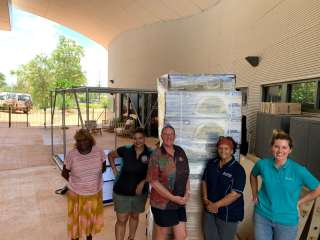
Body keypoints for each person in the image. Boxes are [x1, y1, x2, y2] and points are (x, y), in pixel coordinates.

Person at [250, 129, 320, 240]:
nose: (280, 150)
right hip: (262, 216)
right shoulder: (262, 164)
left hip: (286, 221)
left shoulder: (299, 171)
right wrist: (254, 193)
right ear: (272, 147)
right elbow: (253, 174)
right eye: (276, 146)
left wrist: (298, 202)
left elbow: (317, 189)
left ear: (290, 150)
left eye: (284, 147)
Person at [108, 127, 153, 240]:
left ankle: (131, 238)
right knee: (122, 220)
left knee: (134, 216)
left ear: (144, 138)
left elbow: (154, 173)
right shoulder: (125, 150)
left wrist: (143, 181)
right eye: (135, 138)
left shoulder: (151, 153)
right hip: (121, 192)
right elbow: (110, 155)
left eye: (140, 138)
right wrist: (114, 170)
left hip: (139, 194)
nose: (138, 141)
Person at [61, 129, 107, 240]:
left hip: (94, 193)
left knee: (90, 221)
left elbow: (103, 167)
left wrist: (92, 179)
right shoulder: (72, 154)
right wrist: (76, 183)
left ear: (90, 140)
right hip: (77, 193)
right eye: (79, 141)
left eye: (85, 140)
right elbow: (64, 173)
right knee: (76, 222)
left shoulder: (99, 151)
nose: (82, 143)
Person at [147, 126, 190, 240]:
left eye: (171, 134)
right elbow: (154, 181)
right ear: (161, 137)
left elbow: (185, 174)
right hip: (162, 203)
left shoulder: (180, 151)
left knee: (181, 235)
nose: (168, 137)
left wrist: (187, 192)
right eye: (165, 134)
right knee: (162, 235)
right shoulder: (156, 154)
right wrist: (172, 198)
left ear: (174, 137)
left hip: (179, 201)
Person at [202, 136, 246, 240]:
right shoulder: (212, 163)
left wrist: (215, 206)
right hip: (210, 209)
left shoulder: (238, 170)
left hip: (228, 213)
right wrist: (205, 199)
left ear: (232, 150)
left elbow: (235, 194)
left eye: (226, 148)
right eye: (220, 148)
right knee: (210, 238)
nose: (223, 151)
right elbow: (204, 181)